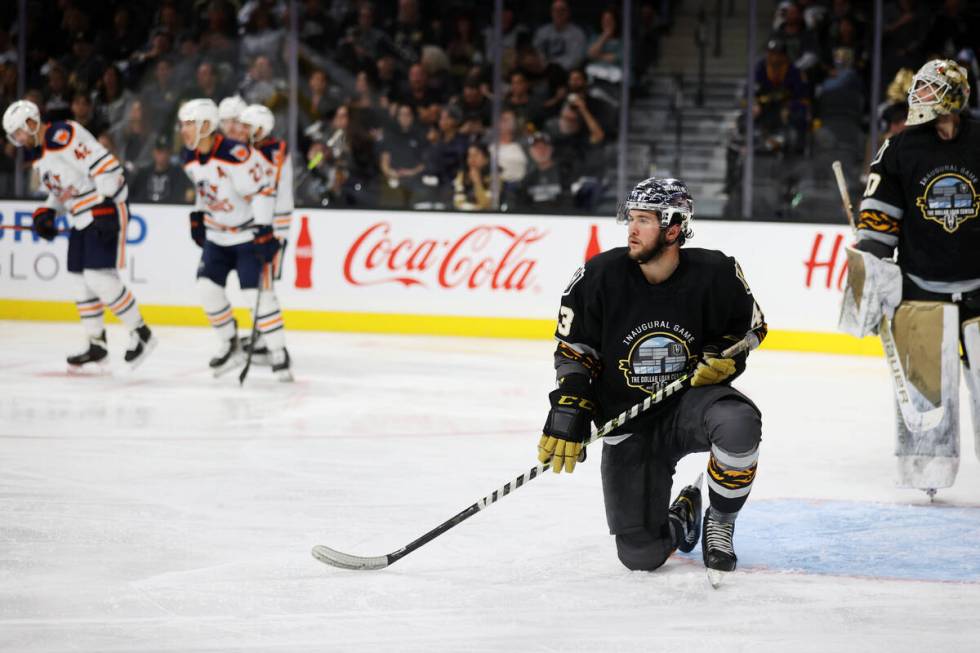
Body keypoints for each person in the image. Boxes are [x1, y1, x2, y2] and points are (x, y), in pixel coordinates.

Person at [539, 177, 767, 580]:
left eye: (644, 220)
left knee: (737, 425)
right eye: (631, 218)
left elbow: (751, 331)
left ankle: (722, 522)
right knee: (640, 555)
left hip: (690, 406)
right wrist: (572, 400)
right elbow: (575, 350)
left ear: (674, 227)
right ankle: (683, 516)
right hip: (629, 420)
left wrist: (727, 361)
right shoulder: (600, 275)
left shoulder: (716, 273)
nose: (632, 228)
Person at [840, 59, 979, 496]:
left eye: (925, 91)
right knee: (926, 390)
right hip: (922, 289)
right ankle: (928, 471)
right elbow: (879, 225)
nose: (915, 99)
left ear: (950, 98)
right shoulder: (899, 149)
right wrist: (872, 262)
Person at [2, 99, 156, 370]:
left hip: (102, 209)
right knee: (78, 277)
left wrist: (107, 203)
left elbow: (105, 166)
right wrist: (49, 211)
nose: (17, 140)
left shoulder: (63, 135)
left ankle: (142, 334)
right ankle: (97, 344)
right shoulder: (42, 153)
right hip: (81, 216)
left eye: (18, 133)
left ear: (31, 122)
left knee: (99, 276)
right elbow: (66, 190)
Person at [177, 98, 292, 382]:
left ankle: (279, 352)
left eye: (189, 124)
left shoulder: (235, 155)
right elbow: (207, 189)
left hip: (246, 236)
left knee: (257, 296)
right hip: (217, 237)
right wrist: (198, 215)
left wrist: (265, 230)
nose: (183, 131)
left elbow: (263, 191)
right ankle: (230, 343)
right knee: (207, 288)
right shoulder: (188, 157)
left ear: (206, 125)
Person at [130, 135, 193, 204]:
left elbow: (189, 193)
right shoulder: (143, 174)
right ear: (153, 152)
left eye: (166, 152)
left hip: (171, 211)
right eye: (160, 151)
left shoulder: (178, 173)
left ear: (170, 153)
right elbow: (132, 196)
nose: (163, 155)